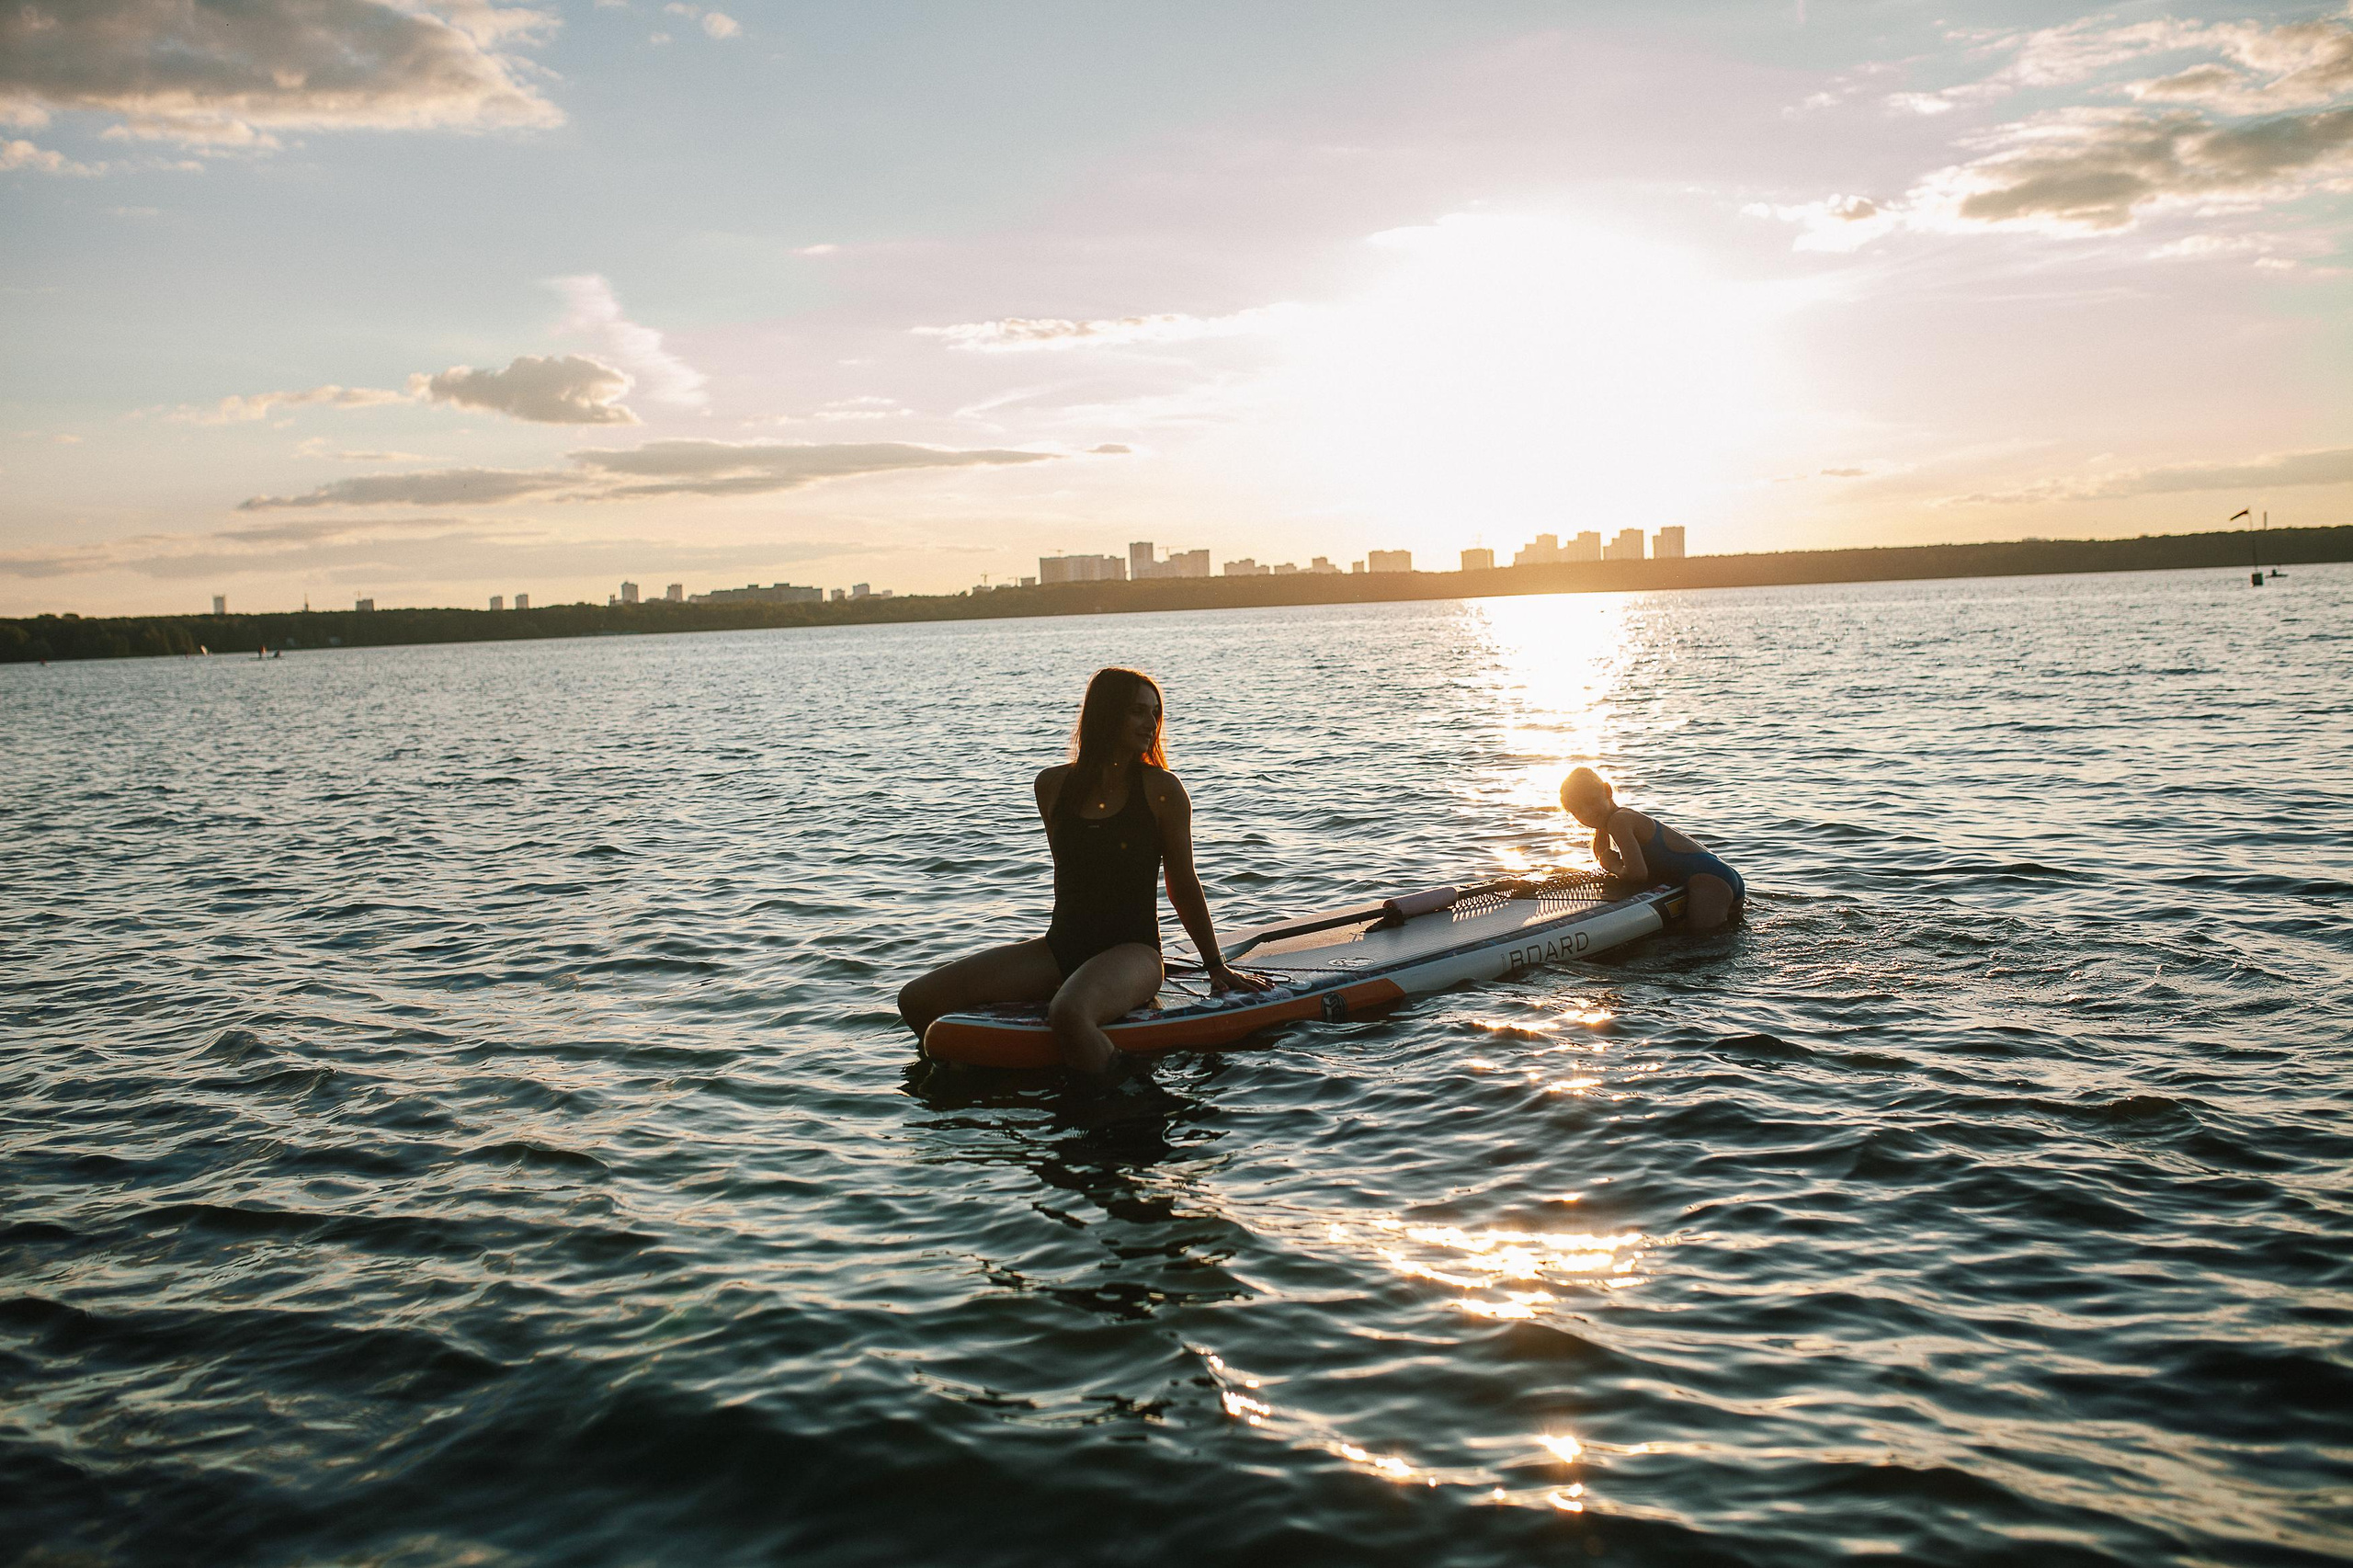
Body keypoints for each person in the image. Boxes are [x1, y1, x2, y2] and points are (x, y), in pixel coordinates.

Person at [898, 666, 1270, 1074]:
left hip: (1134, 953)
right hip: (1060, 949)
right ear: (1106, 714)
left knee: (1069, 1014)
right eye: (1138, 712)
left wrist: (1215, 965)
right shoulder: (1052, 786)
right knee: (917, 999)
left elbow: (1182, 882)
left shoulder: (1162, 790)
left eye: (1155, 713)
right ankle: (962, 1079)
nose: (1151, 723)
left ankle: (1126, 1098)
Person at [1559, 767, 1745, 932]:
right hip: (1717, 876)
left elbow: (1637, 874)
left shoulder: (1619, 821)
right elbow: (1605, 857)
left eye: (1591, 802)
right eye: (1577, 811)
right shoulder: (1615, 820)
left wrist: (1614, 866)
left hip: (1707, 881)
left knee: (1701, 946)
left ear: (1607, 791)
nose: (1587, 813)